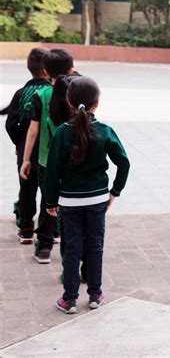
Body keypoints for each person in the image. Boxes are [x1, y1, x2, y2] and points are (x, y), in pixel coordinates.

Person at [44, 77, 130, 314]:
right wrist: (115, 192)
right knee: (95, 246)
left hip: (69, 201)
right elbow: (123, 162)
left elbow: (52, 171)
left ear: (69, 102)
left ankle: (69, 299)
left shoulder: (62, 132)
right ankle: (95, 294)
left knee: (72, 248)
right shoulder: (104, 131)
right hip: (97, 200)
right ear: (97, 102)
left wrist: (51, 201)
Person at [20, 49, 75, 264]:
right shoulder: (76, 91)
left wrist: (26, 160)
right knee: (68, 204)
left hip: (45, 160)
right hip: (71, 162)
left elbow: (32, 131)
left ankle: (44, 248)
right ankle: (68, 249)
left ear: (45, 71)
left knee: (48, 201)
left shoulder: (41, 95)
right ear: (71, 69)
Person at [5, 48, 50, 243]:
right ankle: (50, 231)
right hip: (49, 150)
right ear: (48, 69)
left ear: (28, 67)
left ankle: (25, 228)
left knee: (27, 188)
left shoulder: (21, 93)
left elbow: (10, 123)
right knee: (49, 190)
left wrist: (18, 143)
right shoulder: (54, 93)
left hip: (27, 149)